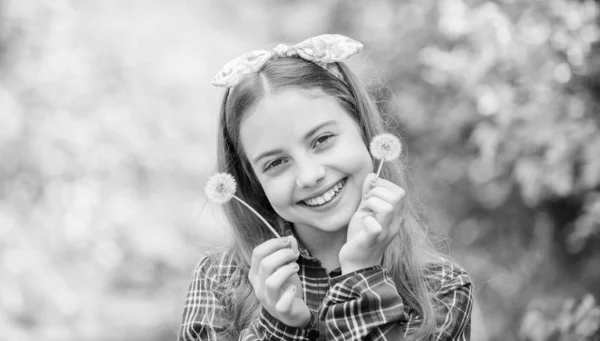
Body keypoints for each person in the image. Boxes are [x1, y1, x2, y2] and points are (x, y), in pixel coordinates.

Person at [178, 34, 472, 341]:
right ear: (253, 180)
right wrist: (280, 326)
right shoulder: (219, 281)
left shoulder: (441, 288)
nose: (309, 175)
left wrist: (361, 273)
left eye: (322, 140)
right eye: (275, 163)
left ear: (362, 128)